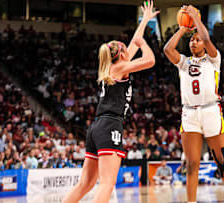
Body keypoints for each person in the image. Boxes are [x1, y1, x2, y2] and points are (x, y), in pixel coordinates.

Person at [62, 1, 158, 202]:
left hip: (96, 127)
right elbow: (149, 60)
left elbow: (133, 41)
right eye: (126, 50)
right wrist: (144, 44)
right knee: (107, 183)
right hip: (110, 125)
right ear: (122, 55)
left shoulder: (114, 67)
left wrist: (145, 20)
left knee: (85, 184)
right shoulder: (120, 69)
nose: (129, 49)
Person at [163, 5, 224, 203]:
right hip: (189, 114)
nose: (194, 43)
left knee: (221, 161)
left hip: (211, 110)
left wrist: (196, 18)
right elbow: (167, 49)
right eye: (192, 40)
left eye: (197, 40)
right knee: (192, 164)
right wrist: (182, 29)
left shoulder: (214, 60)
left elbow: (206, 38)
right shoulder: (184, 62)